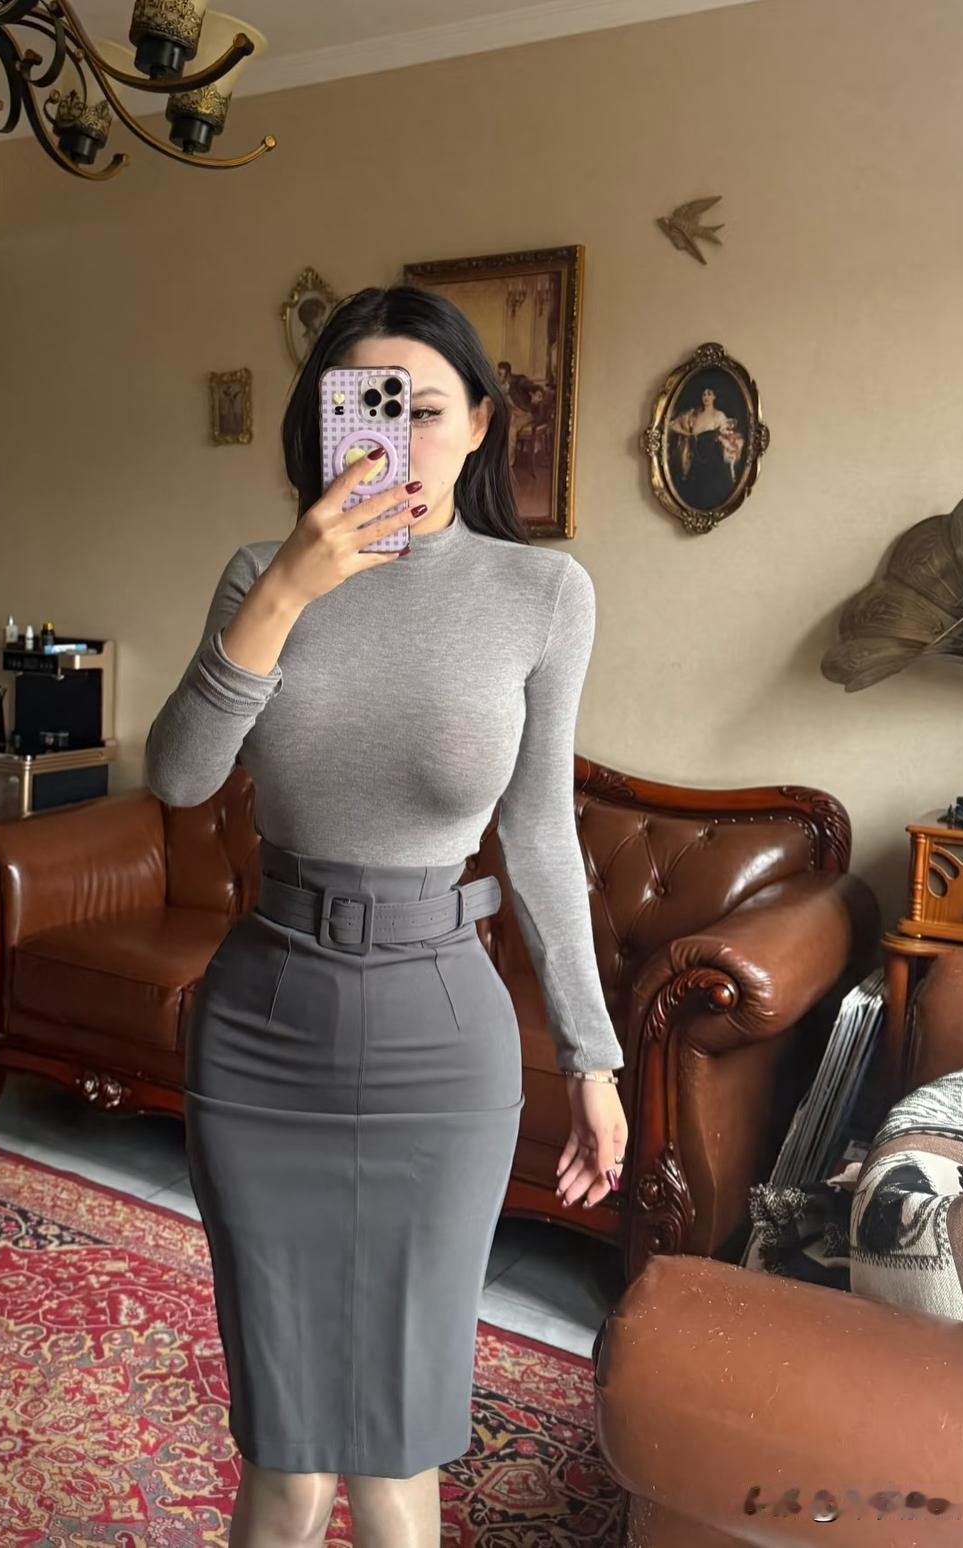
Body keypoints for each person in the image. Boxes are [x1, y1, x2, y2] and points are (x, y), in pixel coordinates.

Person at [145, 285, 629, 1548]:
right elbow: (179, 780)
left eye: (423, 409)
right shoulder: (259, 573)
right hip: (263, 1023)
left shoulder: (542, 593)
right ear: (322, 424)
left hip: (440, 1034)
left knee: (397, 1456)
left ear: (480, 425)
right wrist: (286, 591)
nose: (395, 436)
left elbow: (540, 833)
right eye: (365, 406)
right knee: (286, 1453)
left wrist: (591, 1059)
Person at [667, 384, 737, 509]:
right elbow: (672, 425)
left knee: (712, 493)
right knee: (695, 495)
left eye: (709, 394)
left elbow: (726, 434)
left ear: (714, 397)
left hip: (713, 461)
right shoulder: (695, 416)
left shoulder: (719, 415)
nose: (706, 397)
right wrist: (688, 434)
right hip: (696, 461)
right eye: (704, 394)